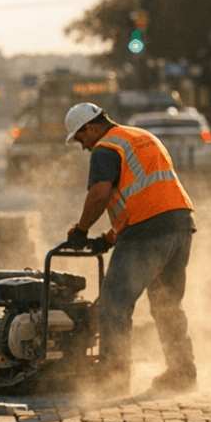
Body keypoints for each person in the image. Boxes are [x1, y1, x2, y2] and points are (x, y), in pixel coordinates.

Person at [64, 102, 198, 394]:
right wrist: (109, 239)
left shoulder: (105, 149)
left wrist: (81, 230)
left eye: (80, 138)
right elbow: (142, 197)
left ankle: (113, 376)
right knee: (167, 305)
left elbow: (99, 195)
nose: (83, 146)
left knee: (115, 302)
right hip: (181, 224)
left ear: (91, 128)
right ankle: (182, 372)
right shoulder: (140, 137)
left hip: (148, 230)